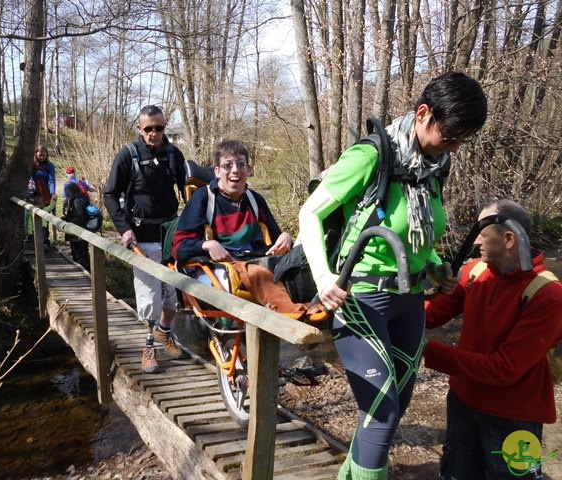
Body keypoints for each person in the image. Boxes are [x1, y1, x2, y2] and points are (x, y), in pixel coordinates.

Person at [298, 71, 488, 480]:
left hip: (410, 300)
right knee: (381, 412)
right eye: (451, 136)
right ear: (423, 114)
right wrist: (324, 277)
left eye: (462, 140)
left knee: (393, 407)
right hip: (360, 297)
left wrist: (439, 270)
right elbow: (309, 213)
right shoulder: (371, 156)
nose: (454, 147)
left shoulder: (436, 165)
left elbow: (418, 237)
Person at [424, 199, 562, 480]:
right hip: (463, 401)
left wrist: (423, 350)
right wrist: (382, 311)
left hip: (515, 416)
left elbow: (504, 368)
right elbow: (431, 315)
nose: (476, 242)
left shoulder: (547, 295)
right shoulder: (476, 272)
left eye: (483, 234)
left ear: (508, 239)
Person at [172, 139, 325, 320]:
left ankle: (316, 306)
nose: (235, 170)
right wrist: (206, 245)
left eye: (241, 164)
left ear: (249, 170)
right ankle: (297, 315)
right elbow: (179, 248)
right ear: (217, 171)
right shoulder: (203, 199)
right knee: (257, 273)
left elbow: (276, 236)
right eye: (227, 165)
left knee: (301, 261)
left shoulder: (255, 200)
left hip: (260, 259)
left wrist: (285, 237)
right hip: (224, 266)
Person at [104, 105, 187, 374]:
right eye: (148, 128)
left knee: (173, 299)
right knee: (150, 299)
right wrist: (124, 229)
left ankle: (164, 333)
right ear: (140, 128)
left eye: (159, 128)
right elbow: (110, 194)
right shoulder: (128, 155)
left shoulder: (174, 154)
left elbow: (188, 191)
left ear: (165, 127)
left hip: (171, 235)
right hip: (142, 238)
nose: (154, 133)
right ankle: (148, 345)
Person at [31, 145, 57, 247]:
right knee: (31, 216)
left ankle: (44, 240)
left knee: (44, 216)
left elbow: (51, 180)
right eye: (40, 154)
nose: (42, 157)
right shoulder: (32, 164)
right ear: (36, 154)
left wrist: (53, 193)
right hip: (33, 191)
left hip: (45, 193)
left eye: (44, 155)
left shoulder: (50, 165)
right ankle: (32, 238)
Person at [62, 182, 91, 271]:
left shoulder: (77, 200)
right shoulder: (80, 197)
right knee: (78, 254)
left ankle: (85, 274)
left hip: (79, 234)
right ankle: (82, 271)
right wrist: (66, 218)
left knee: (80, 256)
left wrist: (67, 224)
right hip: (78, 232)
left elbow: (79, 218)